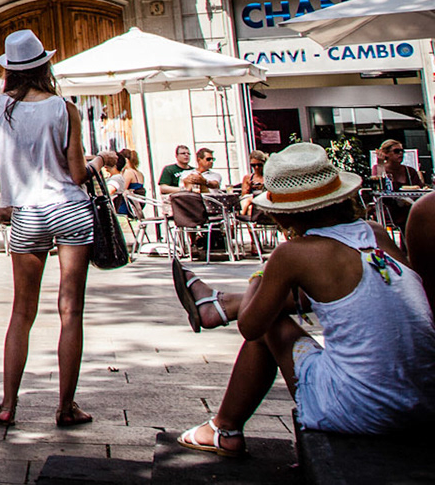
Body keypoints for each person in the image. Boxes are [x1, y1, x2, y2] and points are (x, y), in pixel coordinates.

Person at [169, 142, 435, 451]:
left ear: (284, 215)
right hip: (424, 403)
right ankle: (220, 306)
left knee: (268, 319)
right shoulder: (374, 233)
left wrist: (260, 278)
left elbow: (251, 327)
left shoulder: (292, 254)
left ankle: (224, 426)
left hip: (361, 409)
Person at [0, 29, 94, 429]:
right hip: (70, 208)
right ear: (45, 65)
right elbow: (77, 172)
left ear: (9, 70)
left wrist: (8, 192)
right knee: (70, 310)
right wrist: (98, 163)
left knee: (21, 312)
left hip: (27, 214)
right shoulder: (65, 108)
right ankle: (66, 406)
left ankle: (8, 405)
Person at [237, 152, 268, 217]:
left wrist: (263, 187)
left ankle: (239, 217)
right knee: (250, 208)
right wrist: (249, 187)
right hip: (252, 202)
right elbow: (244, 195)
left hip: (265, 200)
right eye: (253, 165)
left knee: (249, 202)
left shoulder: (268, 177)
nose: (256, 168)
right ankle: (251, 226)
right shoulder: (248, 178)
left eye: (259, 165)